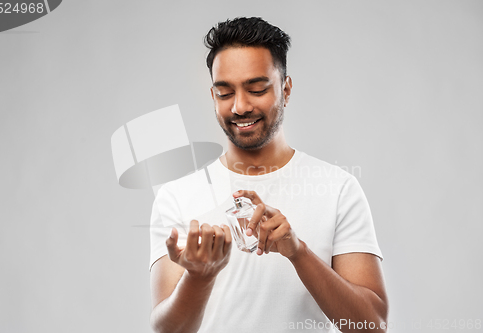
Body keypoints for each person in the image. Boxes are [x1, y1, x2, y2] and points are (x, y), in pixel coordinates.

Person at [149, 17, 388, 333]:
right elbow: (167, 331)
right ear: (212, 97)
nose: (240, 106)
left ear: (286, 90)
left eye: (257, 88)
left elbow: (372, 326)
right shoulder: (177, 197)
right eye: (224, 92)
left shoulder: (338, 189)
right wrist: (199, 277)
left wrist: (298, 252)